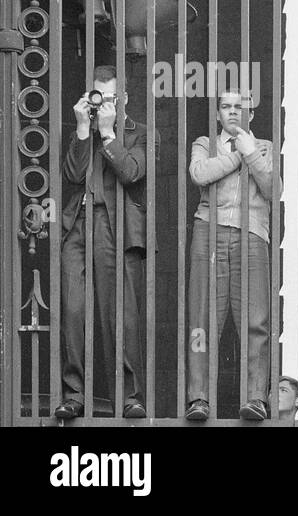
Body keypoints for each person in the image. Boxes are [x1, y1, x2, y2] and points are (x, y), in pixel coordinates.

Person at [55, 65, 154, 420]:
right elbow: (71, 175)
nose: (103, 106)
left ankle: (128, 397)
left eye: (110, 98)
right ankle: (74, 395)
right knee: (73, 310)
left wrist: (109, 135)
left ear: (123, 99)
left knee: (121, 313)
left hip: (116, 227)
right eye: (98, 98)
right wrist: (84, 129)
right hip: (79, 225)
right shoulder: (82, 132)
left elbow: (131, 173)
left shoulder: (140, 133)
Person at [183, 89, 280, 422]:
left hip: (252, 234)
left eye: (241, 107)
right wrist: (241, 154)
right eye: (226, 106)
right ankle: (198, 398)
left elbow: (273, 189)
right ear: (218, 114)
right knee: (202, 320)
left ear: (251, 114)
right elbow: (199, 173)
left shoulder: (265, 146)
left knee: (257, 322)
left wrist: (252, 151)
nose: (234, 112)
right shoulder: (203, 142)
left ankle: (256, 397)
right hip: (208, 232)